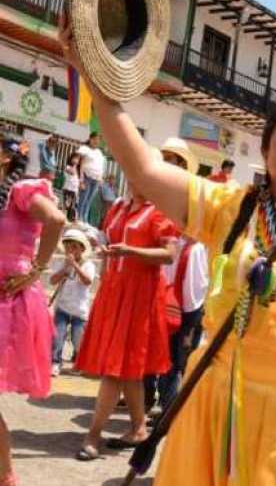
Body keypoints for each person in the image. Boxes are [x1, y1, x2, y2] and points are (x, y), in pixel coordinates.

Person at [61, 22, 276, 482]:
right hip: (221, 403)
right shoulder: (230, 208)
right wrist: (93, 74)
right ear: (265, 150)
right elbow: (141, 167)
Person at [73, 162, 176, 461]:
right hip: (115, 292)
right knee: (128, 369)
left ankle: (93, 435)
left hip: (140, 296)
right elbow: (110, 241)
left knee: (114, 368)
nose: (134, 180)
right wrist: (105, 256)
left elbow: (169, 255)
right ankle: (139, 428)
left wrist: (129, 252)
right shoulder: (119, 207)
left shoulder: (159, 211)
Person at [0, 138, 66, 486]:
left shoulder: (22, 190)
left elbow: (57, 220)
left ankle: (7, 475)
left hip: (9, 301)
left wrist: (35, 271)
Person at [145, 139, 209, 415]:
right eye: (165, 157)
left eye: (172, 158)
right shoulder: (154, 197)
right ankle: (146, 400)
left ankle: (168, 405)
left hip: (189, 288)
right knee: (151, 348)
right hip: (161, 283)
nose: (167, 162)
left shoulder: (194, 196)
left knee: (176, 354)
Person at [49, 228, 95, 377]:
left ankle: (78, 361)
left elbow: (88, 281)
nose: (70, 250)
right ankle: (55, 362)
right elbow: (52, 280)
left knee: (78, 339)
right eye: (68, 247)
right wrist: (65, 269)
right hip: (62, 307)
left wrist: (75, 266)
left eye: (74, 247)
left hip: (79, 310)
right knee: (57, 336)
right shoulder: (61, 263)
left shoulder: (88, 264)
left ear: (82, 249)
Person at [76, 132, 106, 223]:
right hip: (86, 177)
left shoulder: (99, 152)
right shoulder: (84, 149)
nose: (97, 141)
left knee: (89, 201)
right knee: (83, 199)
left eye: (99, 140)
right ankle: (79, 218)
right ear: (90, 139)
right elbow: (79, 164)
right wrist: (81, 180)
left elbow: (101, 166)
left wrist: (101, 178)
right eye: (95, 139)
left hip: (96, 179)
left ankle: (84, 219)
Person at [62, 152, 81, 222]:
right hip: (68, 189)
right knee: (67, 205)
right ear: (71, 158)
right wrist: (75, 165)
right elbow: (72, 172)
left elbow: (77, 180)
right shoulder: (68, 167)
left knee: (72, 207)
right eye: (75, 158)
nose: (76, 160)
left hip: (74, 190)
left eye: (78, 159)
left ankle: (70, 220)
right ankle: (64, 219)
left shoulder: (78, 170)